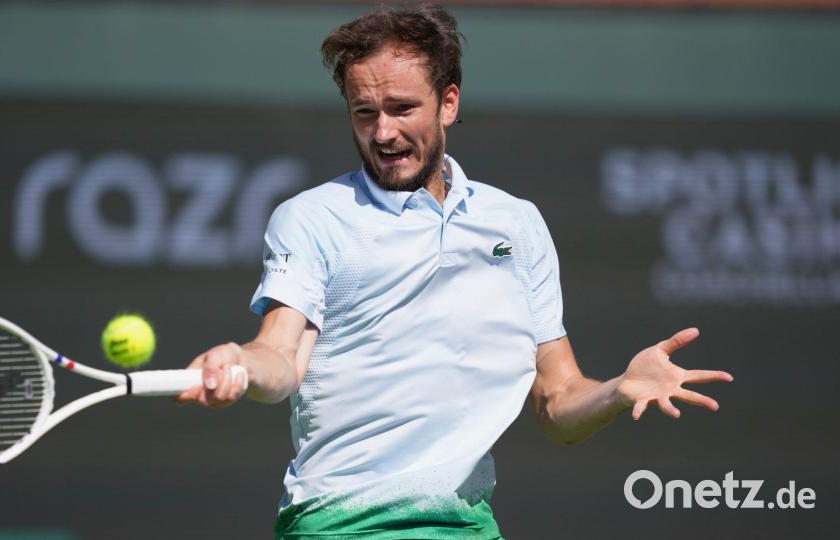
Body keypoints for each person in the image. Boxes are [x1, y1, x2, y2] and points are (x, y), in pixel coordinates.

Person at [176, 4, 733, 539]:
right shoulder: (310, 218)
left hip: (467, 527)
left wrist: (617, 391)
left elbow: (558, 401)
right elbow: (280, 358)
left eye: (402, 108)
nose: (383, 133)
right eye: (364, 113)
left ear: (448, 102)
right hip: (338, 527)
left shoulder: (516, 223)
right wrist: (242, 363)